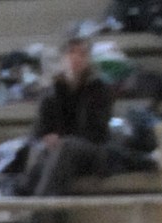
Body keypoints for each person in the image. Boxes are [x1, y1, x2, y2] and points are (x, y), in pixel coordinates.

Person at [18, 37, 116, 197]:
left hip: (91, 152)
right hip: (58, 154)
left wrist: (61, 140)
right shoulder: (51, 92)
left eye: (82, 54)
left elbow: (98, 133)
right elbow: (37, 133)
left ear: (89, 60)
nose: (76, 58)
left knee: (64, 147)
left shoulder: (100, 90)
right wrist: (45, 139)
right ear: (62, 58)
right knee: (43, 157)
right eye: (71, 52)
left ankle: (39, 211)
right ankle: (47, 213)